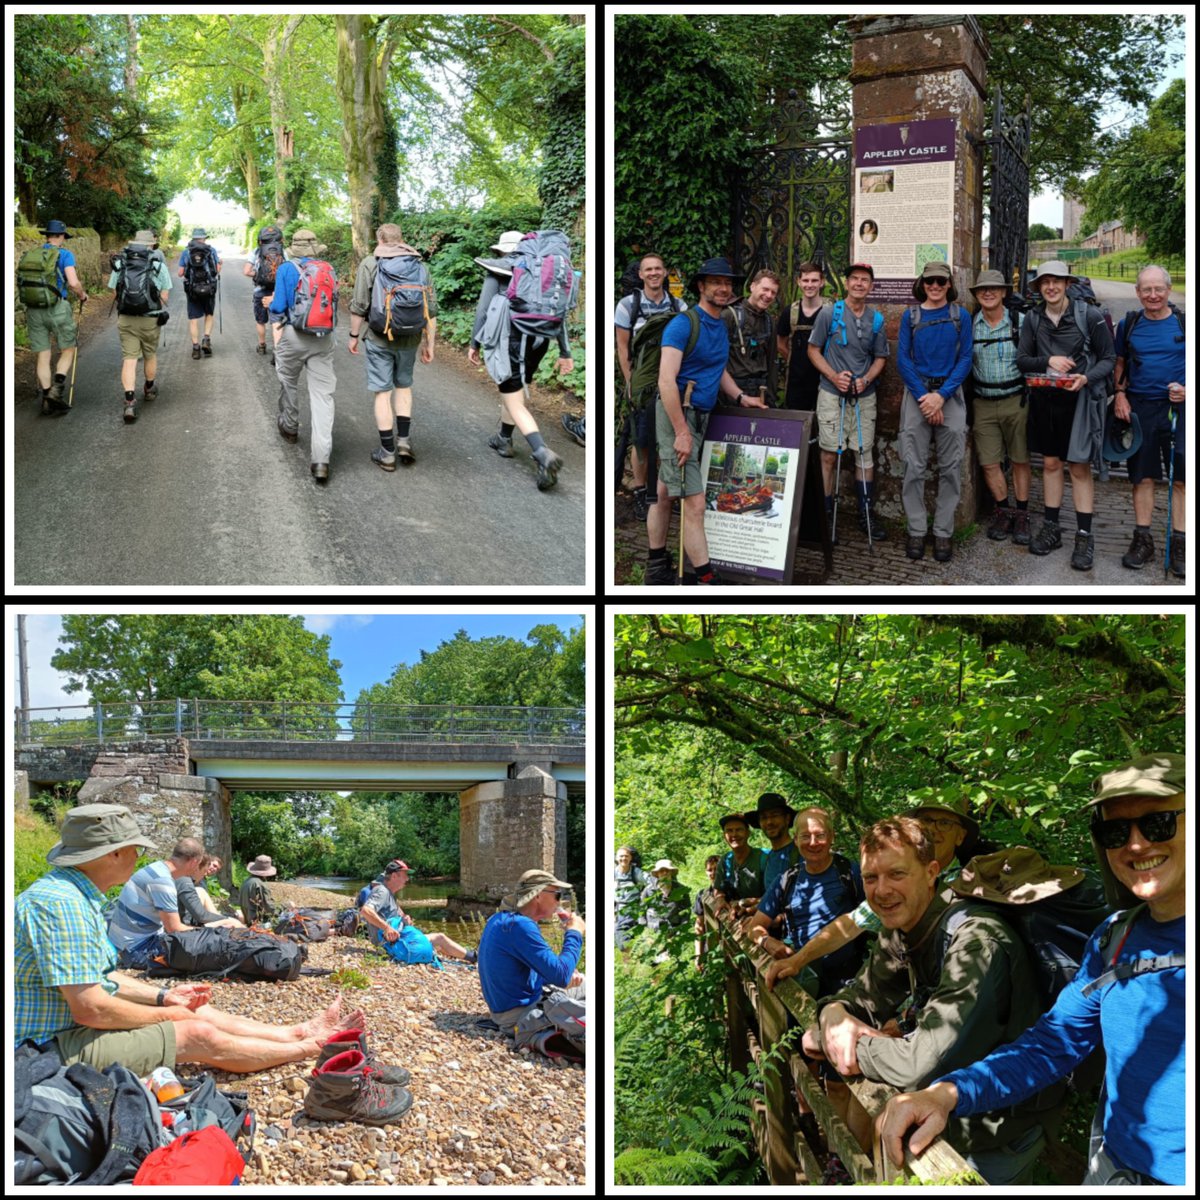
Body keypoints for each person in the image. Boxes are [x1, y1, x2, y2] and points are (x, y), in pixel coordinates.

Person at [877, 753, 1185, 1186]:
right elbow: (1051, 1045)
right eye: (1115, 830)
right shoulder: (1115, 938)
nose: (1135, 844)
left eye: (1158, 823)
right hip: (1112, 1168)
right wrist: (947, 1093)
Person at [14, 804, 366, 1076]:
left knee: (193, 1009)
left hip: (67, 1027)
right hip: (42, 1048)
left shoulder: (75, 895)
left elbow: (100, 977)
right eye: (135, 848)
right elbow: (90, 1007)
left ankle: (295, 1032)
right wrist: (171, 1017)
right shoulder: (60, 905)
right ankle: (311, 1047)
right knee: (197, 1033)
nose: (140, 856)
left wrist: (164, 996)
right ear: (113, 854)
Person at [813, 817, 1058, 1183]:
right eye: (870, 878)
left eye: (897, 874)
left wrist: (844, 1045)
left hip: (999, 1131)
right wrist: (833, 1013)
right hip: (944, 1118)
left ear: (931, 872)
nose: (881, 891)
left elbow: (920, 1065)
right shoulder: (904, 925)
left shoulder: (975, 943)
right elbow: (864, 994)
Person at [648, 255, 769, 585]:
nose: (723, 288)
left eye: (728, 283)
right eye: (716, 282)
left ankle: (656, 565)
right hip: (679, 416)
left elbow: (718, 370)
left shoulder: (719, 324)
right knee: (695, 502)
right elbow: (665, 380)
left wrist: (741, 398)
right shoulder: (683, 324)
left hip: (701, 416)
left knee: (663, 491)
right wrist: (681, 431)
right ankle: (704, 579)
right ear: (701, 286)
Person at [1017, 260, 1115, 569]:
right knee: (1049, 463)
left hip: (1080, 400)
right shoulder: (1032, 319)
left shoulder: (1091, 316)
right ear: (1039, 287)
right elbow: (1022, 360)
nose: (1051, 286)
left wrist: (1087, 378)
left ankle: (1084, 536)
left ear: (1067, 284)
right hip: (1046, 399)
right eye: (1045, 282)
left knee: (1079, 466)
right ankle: (1051, 527)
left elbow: (1109, 358)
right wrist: (1050, 360)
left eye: (1056, 281)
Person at [467, 229, 572, 491]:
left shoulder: (499, 270)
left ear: (504, 249)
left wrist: (474, 344)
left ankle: (542, 453)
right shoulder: (543, 274)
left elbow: (483, 310)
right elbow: (560, 314)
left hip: (510, 339)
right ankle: (504, 438)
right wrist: (565, 352)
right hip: (540, 339)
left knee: (513, 398)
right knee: (514, 390)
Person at [896, 261, 973, 562]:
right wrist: (924, 397)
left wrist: (940, 397)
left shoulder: (960, 316)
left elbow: (965, 358)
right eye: (930, 281)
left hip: (949, 395)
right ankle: (916, 529)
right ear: (922, 284)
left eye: (941, 281)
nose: (936, 286)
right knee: (913, 466)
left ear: (950, 284)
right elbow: (903, 359)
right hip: (917, 395)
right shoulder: (910, 316)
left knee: (951, 467)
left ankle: (943, 532)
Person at [807, 263, 890, 541]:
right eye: (854, 278)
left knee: (863, 454)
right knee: (829, 454)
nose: (859, 283)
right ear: (846, 283)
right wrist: (834, 376)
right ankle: (825, 514)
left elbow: (880, 358)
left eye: (864, 280)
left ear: (871, 285)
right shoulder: (829, 314)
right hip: (832, 395)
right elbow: (813, 350)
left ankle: (865, 513)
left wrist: (865, 379)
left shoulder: (876, 319)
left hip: (864, 396)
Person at [1113, 265, 1186, 577]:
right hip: (1140, 407)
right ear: (1138, 292)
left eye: (1159, 289)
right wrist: (1119, 394)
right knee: (1141, 476)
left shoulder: (1185, 322)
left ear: (1169, 290)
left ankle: (1180, 542)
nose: (1153, 295)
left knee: (1182, 478)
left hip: (1179, 409)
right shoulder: (1129, 325)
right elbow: (1119, 363)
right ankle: (1143, 538)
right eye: (1147, 289)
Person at [348, 222, 438, 470]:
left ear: (380, 240)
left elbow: (359, 305)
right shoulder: (419, 266)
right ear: (401, 239)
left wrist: (353, 335)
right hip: (410, 339)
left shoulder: (371, 263)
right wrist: (430, 343)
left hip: (379, 336)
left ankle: (387, 452)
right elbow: (431, 310)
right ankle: (404, 442)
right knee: (404, 386)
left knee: (383, 392)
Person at [477, 869, 586, 1061]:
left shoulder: (502, 919)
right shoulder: (520, 926)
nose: (559, 902)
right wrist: (574, 933)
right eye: (557, 895)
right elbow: (560, 975)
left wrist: (559, 972)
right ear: (538, 895)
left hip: (504, 1010)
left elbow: (518, 971)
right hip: (519, 1015)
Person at [616, 252, 686, 518]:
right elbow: (622, 349)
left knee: (669, 438)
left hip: (672, 383)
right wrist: (630, 383)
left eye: (658, 268)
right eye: (649, 269)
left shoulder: (679, 307)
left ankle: (665, 494)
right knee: (641, 439)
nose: (654, 273)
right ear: (641, 275)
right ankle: (640, 491)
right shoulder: (627, 306)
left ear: (665, 272)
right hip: (643, 384)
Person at [107, 836, 241, 969]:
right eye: (199, 864)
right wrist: (214, 930)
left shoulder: (156, 868)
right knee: (212, 947)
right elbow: (175, 928)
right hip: (138, 951)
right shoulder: (163, 882)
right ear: (194, 862)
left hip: (126, 944)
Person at [270, 228, 339, 484]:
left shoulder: (287, 269)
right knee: (322, 395)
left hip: (294, 335)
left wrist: (276, 316)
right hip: (323, 337)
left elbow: (278, 306)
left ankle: (289, 425)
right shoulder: (328, 268)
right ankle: (321, 459)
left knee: (287, 378)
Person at [969, 269, 1032, 543]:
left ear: (1005, 292)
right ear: (976, 294)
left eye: (994, 288)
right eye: (983, 289)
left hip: (1015, 400)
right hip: (983, 402)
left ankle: (1022, 514)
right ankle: (1003, 510)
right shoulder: (971, 325)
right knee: (989, 462)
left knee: (1020, 459)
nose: (988, 292)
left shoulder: (1021, 322)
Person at [19, 219, 88, 415]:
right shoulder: (64, 254)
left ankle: (46, 398)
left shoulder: (32, 255)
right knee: (68, 348)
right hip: (57, 308)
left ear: (47, 236)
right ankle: (57, 390)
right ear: (62, 237)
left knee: (43, 353)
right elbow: (73, 282)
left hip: (34, 309)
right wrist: (82, 295)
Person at [108, 230, 172, 424]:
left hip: (126, 318)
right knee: (149, 354)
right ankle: (149, 389)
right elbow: (165, 297)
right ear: (151, 245)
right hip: (149, 319)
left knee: (129, 358)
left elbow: (114, 290)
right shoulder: (158, 265)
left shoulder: (121, 263)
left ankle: (129, 401)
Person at [359, 859, 477, 962]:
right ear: (394, 876)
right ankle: (474, 957)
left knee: (438, 944)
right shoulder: (382, 891)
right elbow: (366, 910)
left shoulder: (389, 894)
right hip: (390, 944)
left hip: (392, 942)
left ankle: (466, 956)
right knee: (439, 938)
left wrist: (404, 919)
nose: (407, 879)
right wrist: (387, 928)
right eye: (405, 875)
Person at [723, 269, 781, 407]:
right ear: (752, 286)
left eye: (773, 292)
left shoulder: (769, 321)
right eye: (765, 289)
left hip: (760, 390)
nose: (769, 295)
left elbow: (772, 361)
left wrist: (771, 398)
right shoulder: (729, 316)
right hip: (732, 393)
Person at [775, 261, 825, 411]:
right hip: (796, 382)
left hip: (824, 380)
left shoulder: (831, 311)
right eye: (805, 280)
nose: (809, 285)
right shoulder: (790, 312)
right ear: (799, 282)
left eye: (814, 280)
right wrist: (794, 360)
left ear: (822, 282)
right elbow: (780, 343)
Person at [243, 223, 287, 362]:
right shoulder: (283, 252)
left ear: (260, 240)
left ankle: (262, 345)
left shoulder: (256, 252)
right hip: (278, 292)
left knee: (260, 321)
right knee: (277, 321)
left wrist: (259, 275)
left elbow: (246, 271)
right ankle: (277, 350)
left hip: (260, 291)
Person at [711, 810, 769, 913]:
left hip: (765, 914)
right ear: (724, 836)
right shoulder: (725, 860)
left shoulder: (765, 858)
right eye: (729, 830)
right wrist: (720, 899)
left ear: (748, 833)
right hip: (737, 915)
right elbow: (718, 889)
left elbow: (777, 895)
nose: (734, 834)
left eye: (739, 830)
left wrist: (745, 903)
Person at [177, 227, 222, 360]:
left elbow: (180, 273)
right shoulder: (211, 250)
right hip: (209, 288)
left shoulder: (186, 252)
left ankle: (196, 348)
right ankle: (206, 339)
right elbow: (216, 270)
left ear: (193, 238)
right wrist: (221, 265)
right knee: (209, 314)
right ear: (203, 238)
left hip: (192, 289)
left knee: (193, 319)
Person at [176, 853, 241, 928]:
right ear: (197, 868)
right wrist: (226, 919)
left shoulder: (199, 881)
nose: (214, 869)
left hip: (194, 919)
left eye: (217, 869)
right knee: (234, 923)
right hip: (187, 925)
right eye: (214, 865)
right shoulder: (185, 881)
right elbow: (201, 915)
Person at [614, 845, 648, 951]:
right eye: (621, 856)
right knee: (621, 936)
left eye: (626, 856)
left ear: (630, 858)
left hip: (634, 907)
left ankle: (630, 960)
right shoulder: (612, 873)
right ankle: (630, 961)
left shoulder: (636, 872)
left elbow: (651, 883)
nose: (623, 858)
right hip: (617, 909)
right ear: (616, 858)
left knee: (622, 935)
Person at [239, 853, 278, 927]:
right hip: (258, 923)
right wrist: (285, 906)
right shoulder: (260, 884)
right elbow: (269, 908)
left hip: (248, 919)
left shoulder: (246, 881)